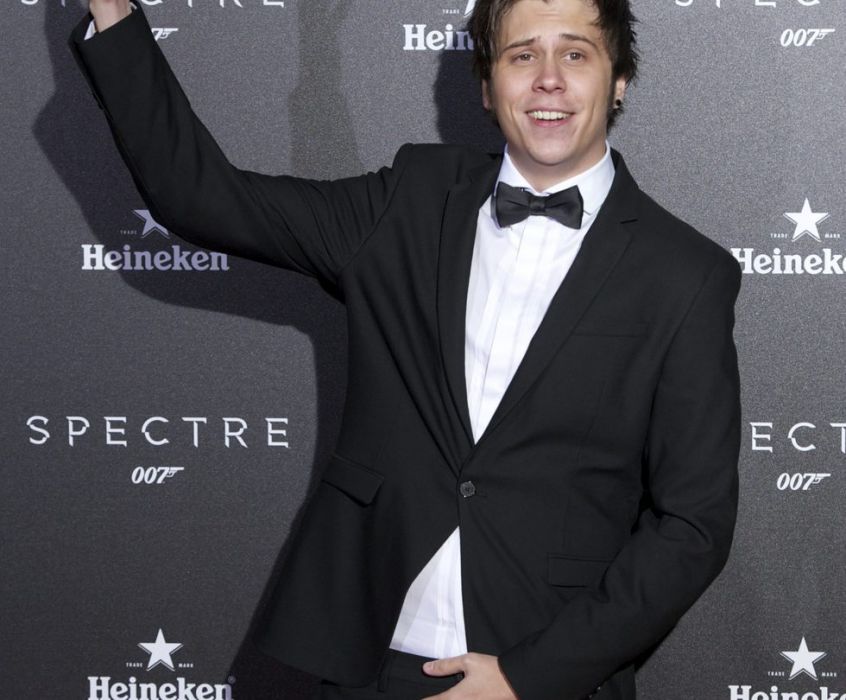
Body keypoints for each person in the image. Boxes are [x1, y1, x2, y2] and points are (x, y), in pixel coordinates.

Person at [69, 0, 742, 698]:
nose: (549, 78)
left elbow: (693, 526)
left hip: (544, 676)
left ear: (619, 79)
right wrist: (113, 11)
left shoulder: (685, 274)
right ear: (487, 86)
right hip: (370, 664)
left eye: (575, 53)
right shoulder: (410, 201)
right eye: (521, 55)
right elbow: (199, 194)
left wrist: (528, 675)